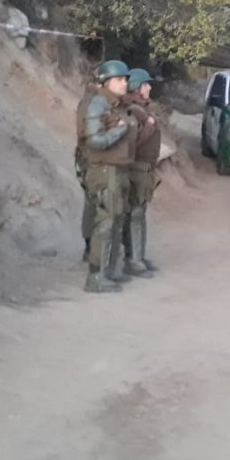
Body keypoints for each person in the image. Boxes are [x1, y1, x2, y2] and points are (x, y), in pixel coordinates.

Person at [76, 59, 138, 293]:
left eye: (125, 79)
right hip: (105, 170)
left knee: (116, 220)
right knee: (105, 222)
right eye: (120, 79)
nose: (125, 83)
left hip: (118, 169)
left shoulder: (115, 104)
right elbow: (95, 140)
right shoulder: (98, 104)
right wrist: (120, 130)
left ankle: (108, 271)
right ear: (106, 81)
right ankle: (96, 276)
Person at [122, 68, 161, 277]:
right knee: (135, 214)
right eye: (146, 84)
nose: (149, 88)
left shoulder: (140, 108)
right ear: (137, 87)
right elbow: (133, 142)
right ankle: (133, 260)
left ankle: (138, 256)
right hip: (137, 167)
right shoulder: (134, 110)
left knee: (139, 213)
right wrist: (148, 126)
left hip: (144, 168)